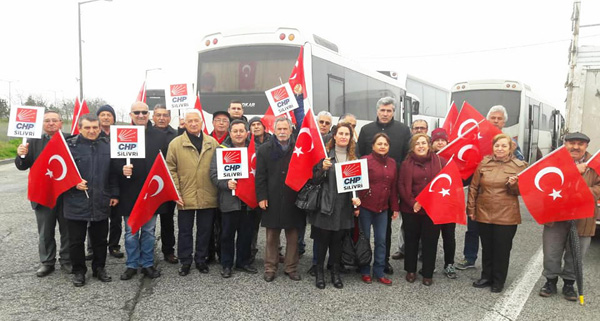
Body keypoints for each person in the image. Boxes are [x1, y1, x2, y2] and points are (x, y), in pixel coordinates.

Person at [457, 105, 525, 270]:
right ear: (487, 120)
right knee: (472, 228)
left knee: (495, 236)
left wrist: (513, 156)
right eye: (492, 118)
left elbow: (522, 166)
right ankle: (469, 258)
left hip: (501, 198)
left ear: (504, 122)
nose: (495, 121)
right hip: (479, 190)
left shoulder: (511, 142)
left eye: (499, 118)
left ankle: (495, 266)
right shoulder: (477, 138)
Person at [539, 132, 600, 301]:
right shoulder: (554, 162)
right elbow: (545, 183)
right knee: (551, 251)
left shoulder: (596, 164)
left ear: (586, 146)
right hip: (556, 215)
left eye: (580, 144)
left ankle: (569, 284)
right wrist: (573, 171)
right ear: (565, 144)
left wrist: (584, 192)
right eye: (572, 143)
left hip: (584, 217)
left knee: (576, 252)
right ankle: (550, 281)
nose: (575, 147)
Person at [63, 114, 119, 286]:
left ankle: (99, 268)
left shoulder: (108, 146)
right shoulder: (69, 147)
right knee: (76, 241)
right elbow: (59, 173)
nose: (92, 131)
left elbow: (113, 173)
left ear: (100, 128)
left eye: (95, 127)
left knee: (100, 239)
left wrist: (114, 194)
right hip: (75, 201)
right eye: (87, 127)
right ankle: (79, 271)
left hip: (100, 200)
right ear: (79, 128)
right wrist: (73, 183)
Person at [358, 97, 411, 275]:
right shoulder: (366, 130)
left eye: (389, 110)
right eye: (383, 110)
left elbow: (406, 157)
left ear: (394, 112)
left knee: (384, 232)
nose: (386, 113)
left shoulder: (403, 130)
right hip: (367, 193)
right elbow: (358, 156)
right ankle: (363, 261)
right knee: (363, 232)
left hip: (389, 186)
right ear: (377, 110)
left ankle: (384, 261)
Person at [468, 133, 527, 293]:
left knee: (502, 249)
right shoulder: (484, 163)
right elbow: (473, 187)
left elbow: (524, 191)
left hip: (506, 215)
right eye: (497, 145)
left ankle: (498, 281)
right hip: (484, 212)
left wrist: (514, 185)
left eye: (504, 146)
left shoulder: (519, 166)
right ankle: (486, 276)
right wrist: (471, 209)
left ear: (510, 148)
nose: (500, 149)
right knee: (487, 248)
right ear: (493, 147)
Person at [15, 110, 71, 277]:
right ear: (42, 124)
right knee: (45, 231)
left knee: (68, 230)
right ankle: (47, 261)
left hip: (65, 193)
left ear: (61, 123)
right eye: (47, 121)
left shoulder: (71, 140)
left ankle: (67, 260)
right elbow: (22, 165)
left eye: (55, 120)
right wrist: (21, 155)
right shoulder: (32, 142)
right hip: (43, 194)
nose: (51, 123)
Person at [118, 101, 168, 281]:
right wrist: (121, 170)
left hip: (151, 192)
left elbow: (165, 164)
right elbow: (114, 162)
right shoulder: (122, 135)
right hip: (129, 193)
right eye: (137, 112)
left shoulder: (160, 136)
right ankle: (131, 265)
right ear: (130, 115)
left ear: (149, 114)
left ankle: (147, 264)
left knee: (148, 231)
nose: (141, 115)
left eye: (144, 112)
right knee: (131, 233)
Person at [166, 109, 219, 276]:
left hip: (207, 193)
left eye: (196, 120)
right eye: (190, 121)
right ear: (185, 123)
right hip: (185, 194)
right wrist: (176, 191)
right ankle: (185, 261)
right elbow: (170, 169)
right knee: (185, 230)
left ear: (202, 122)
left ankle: (201, 259)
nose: (194, 124)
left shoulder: (212, 143)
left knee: (204, 230)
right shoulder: (175, 144)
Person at [309, 123, 361, 289]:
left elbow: (356, 184)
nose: (344, 136)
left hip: (344, 206)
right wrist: (322, 169)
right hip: (326, 204)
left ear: (350, 137)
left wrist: (357, 200)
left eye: (347, 134)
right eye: (341, 133)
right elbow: (314, 180)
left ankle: (335, 272)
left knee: (337, 242)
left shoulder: (353, 158)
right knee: (322, 241)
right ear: (335, 136)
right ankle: (319, 273)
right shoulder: (324, 155)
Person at [255, 117, 306, 282]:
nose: (282, 132)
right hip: (272, 197)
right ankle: (270, 268)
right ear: (274, 130)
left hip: (293, 198)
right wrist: (261, 197)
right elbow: (260, 176)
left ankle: (291, 268)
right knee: (271, 236)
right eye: (279, 129)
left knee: (292, 236)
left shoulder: (299, 149)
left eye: (285, 129)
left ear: (291, 130)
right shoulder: (264, 150)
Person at [209, 120, 258, 278]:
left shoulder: (254, 150)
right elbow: (213, 174)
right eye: (235, 131)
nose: (238, 134)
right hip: (229, 201)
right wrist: (225, 183)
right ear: (230, 133)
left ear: (247, 133)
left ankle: (243, 262)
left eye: (241, 131)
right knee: (227, 235)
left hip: (248, 201)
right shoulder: (221, 150)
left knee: (246, 234)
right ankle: (227, 264)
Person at [398, 133, 446, 286]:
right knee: (411, 240)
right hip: (411, 209)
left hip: (432, 209)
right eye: (417, 143)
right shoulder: (406, 164)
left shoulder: (440, 162)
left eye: (423, 143)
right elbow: (402, 185)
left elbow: (445, 184)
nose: (420, 146)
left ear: (429, 145)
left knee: (430, 241)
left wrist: (431, 202)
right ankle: (410, 270)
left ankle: (427, 272)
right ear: (413, 147)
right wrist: (413, 202)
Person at [357, 133, 399, 285]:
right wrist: (356, 205)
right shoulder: (364, 161)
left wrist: (395, 207)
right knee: (365, 239)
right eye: (379, 144)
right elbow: (356, 184)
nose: (382, 146)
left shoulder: (393, 163)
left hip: (383, 209)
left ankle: (379, 271)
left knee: (381, 240)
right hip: (365, 207)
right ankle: (364, 269)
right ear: (373, 146)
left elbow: (393, 187)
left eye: (385, 144)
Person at [90, 104, 124, 260]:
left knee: (116, 219)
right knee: (94, 218)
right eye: (102, 114)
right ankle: (92, 248)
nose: (105, 117)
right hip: (97, 183)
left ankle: (114, 246)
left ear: (113, 118)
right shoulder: (92, 134)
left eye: (109, 115)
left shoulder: (120, 134)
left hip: (117, 180)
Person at [151, 105, 179, 264]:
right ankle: (148, 252)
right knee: (149, 220)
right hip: (151, 183)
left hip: (169, 183)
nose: (162, 118)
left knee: (168, 220)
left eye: (165, 115)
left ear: (169, 118)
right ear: (153, 117)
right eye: (158, 115)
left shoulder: (176, 135)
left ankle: (169, 250)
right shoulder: (145, 133)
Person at [429, 128, 457, 279]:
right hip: (432, 204)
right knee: (431, 236)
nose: (440, 143)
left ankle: (449, 264)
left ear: (447, 142)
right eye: (437, 140)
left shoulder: (454, 158)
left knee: (449, 235)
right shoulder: (427, 157)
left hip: (449, 204)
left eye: (443, 140)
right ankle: (430, 263)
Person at [247, 116, 271, 263]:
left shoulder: (273, 142)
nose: (256, 127)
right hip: (253, 189)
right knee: (252, 225)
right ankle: (251, 252)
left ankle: (275, 253)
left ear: (264, 126)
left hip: (271, 189)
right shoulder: (247, 144)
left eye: (258, 124)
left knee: (273, 225)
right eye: (253, 125)